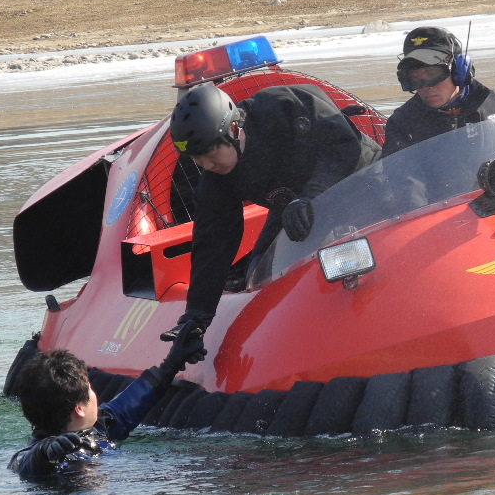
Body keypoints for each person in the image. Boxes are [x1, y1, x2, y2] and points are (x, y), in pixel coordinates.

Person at [163, 82, 382, 339]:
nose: (207, 165)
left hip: (362, 181)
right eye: (197, 160)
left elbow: (343, 145)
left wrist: (311, 196)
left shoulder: (283, 106)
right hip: (293, 205)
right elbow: (212, 244)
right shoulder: (216, 179)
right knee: (259, 269)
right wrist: (197, 316)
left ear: (233, 129)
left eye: (210, 153)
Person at [8, 321, 206, 477]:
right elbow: (24, 463)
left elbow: (128, 405)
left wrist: (172, 362)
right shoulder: (41, 453)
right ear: (79, 408)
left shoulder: (99, 428)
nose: (95, 395)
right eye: (90, 389)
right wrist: (44, 454)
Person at [382, 26, 495, 156]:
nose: (425, 87)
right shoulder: (402, 123)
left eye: (432, 74)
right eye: (415, 77)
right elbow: (399, 173)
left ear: (458, 70)